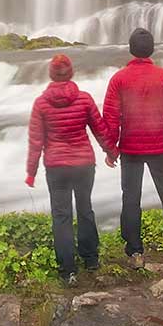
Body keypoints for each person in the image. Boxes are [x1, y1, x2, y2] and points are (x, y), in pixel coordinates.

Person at [103, 27, 163, 270]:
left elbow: (110, 117)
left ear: (131, 50)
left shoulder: (119, 79)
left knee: (131, 200)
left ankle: (135, 254)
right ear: (152, 49)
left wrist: (111, 149)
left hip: (130, 149)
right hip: (160, 147)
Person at [25, 53, 117, 284]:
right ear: (71, 73)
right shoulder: (84, 99)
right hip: (83, 164)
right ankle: (91, 259)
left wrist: (31, 171)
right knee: (85, 209)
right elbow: (100, 129)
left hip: (56, 167)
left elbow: (36, 141)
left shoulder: (41, 104)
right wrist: (111, 152)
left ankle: (68, 270)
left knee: (61, 216)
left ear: (51, 74)